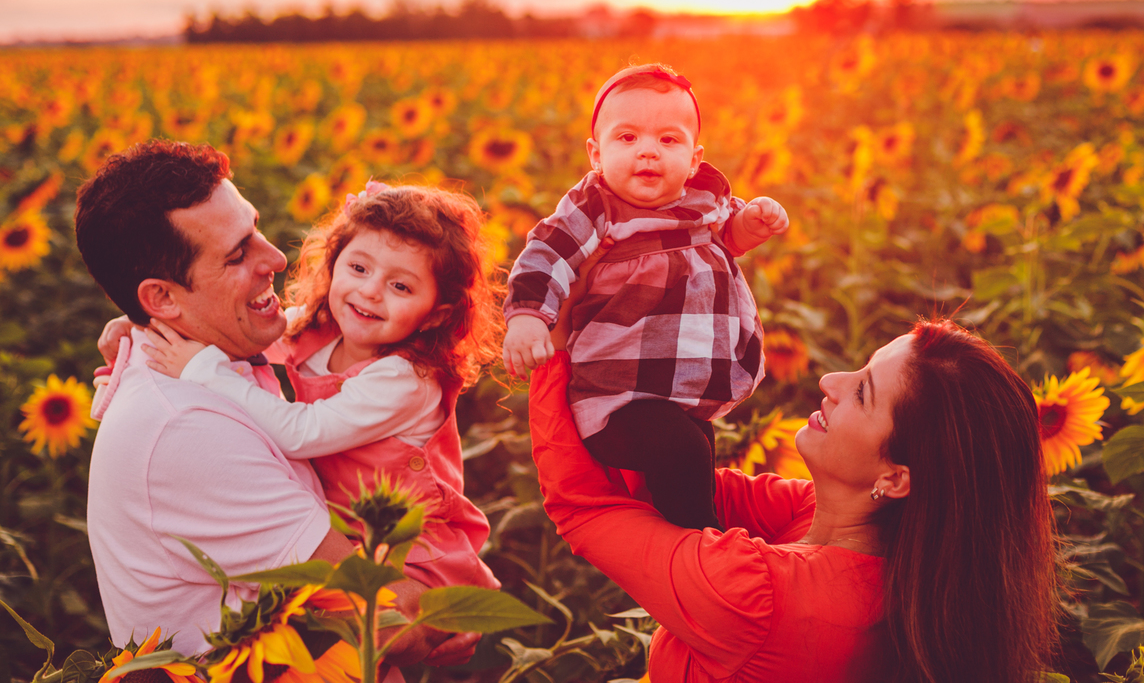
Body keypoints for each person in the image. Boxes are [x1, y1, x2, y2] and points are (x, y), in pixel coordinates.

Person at [76, 140, 477, 664]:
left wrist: (134, 322)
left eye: (256, 228)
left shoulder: (215, 347)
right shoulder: (188, 430)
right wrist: (441, 626)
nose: (278, 258)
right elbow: (391, 621)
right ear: (164, 298)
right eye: (238, 254)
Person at [529, 318, 1057, 683]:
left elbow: (585, 507)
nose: (830, 381)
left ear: (896, 478)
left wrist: (552, 350)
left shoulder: (760, 597)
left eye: (863, 393)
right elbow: (663, 479)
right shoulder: (880, 543)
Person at [132, 180, 504, 592]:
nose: (369, 291)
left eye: (400, 286)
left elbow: (300, 432)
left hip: (407, 554)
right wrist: (136, 325)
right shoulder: (320, 327)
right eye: (358, 268)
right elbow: (233, 331)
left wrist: (205, 372)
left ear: (436, 315)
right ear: (334, 261)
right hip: (348, 535)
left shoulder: (405, 379)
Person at [503, 63, 789, 530]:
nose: (648, 153)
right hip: (620, 395)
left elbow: (725, 243)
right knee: (683, 454)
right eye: (628, 138)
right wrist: (528, 317)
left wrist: (750, 226)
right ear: (596, 154)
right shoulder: (595, 207)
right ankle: (701, 543)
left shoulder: (703, 201)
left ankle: (684, 543)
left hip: (686, 388)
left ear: (695, 160)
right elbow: (544, 256)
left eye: (668, 140)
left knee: (693, 455)